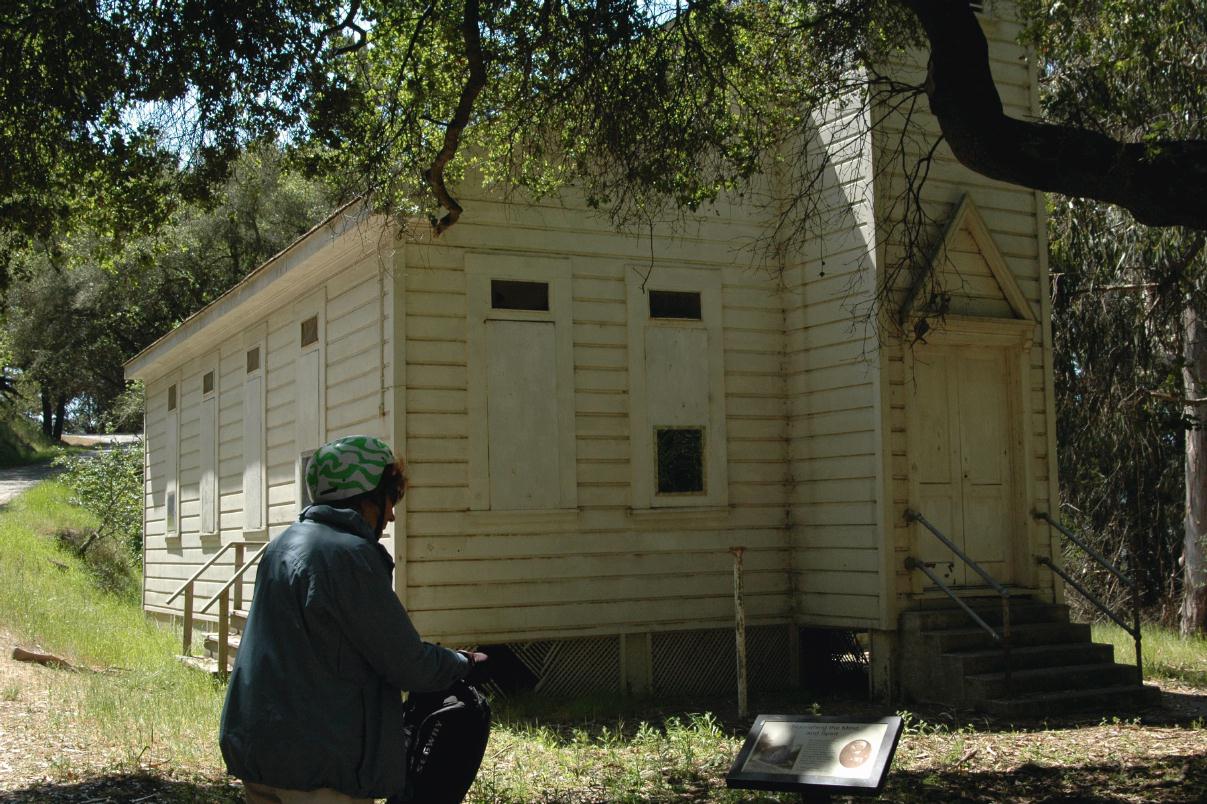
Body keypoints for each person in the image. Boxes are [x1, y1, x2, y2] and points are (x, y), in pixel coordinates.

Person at [219, 435, 487, 804]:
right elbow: (404, 662)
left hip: (259, 750)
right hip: (319, 764)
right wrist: (461, 663)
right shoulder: (349, 556)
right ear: (366, 496)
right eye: (391, 496)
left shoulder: (283, 544)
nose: (392, 513)